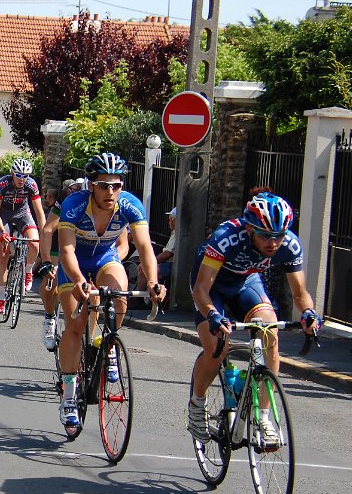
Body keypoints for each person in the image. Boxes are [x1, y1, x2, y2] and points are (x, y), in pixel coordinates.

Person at [187, 192, 321, 446]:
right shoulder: (226, 238)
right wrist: (213, 315)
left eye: (279, 235)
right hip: (211, 286)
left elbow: (300, 293)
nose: (273, 243)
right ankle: (197, 403)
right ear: (249, 228)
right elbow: (201, 289)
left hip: (245, 283)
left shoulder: (290, 245)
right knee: (217, 347)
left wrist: (308, 313)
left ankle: (263, 416)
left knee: (270, 332)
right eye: (265, 235)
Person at [56, 153, 165, 429]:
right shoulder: (74, 205)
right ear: (91, 185)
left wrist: (153, 282)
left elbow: (145, 247)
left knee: (119, 295)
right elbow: (66, 249)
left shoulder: (130, 205)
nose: (110, 192)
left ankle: (109, 344)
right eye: (104, 185)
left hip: (104, 258)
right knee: (75, 325)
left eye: (116, 185)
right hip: (75, 263)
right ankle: (68, 396)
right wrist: (79, 279)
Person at [0, 157, 46, 315]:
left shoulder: (31, 184)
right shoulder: (2, 184)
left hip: (22, 213)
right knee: (3, 254)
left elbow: (39, 212)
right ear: (12, 174)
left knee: (34, 243)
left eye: (25, 176)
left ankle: (28, 272)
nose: (22, 179)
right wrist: (2, 232)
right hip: (3, 215)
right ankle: (1, 297)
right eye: (19, 175)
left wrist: (44, 232)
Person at [136, 207, 176, 295]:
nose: (169, 222)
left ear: (174, 220)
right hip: (169, 263)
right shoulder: (174, 233)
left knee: (144, 270)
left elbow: (167, 254)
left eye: (170, 219)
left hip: (172, 265)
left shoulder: (177, 234)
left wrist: (150, 262)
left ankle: (139, 297)